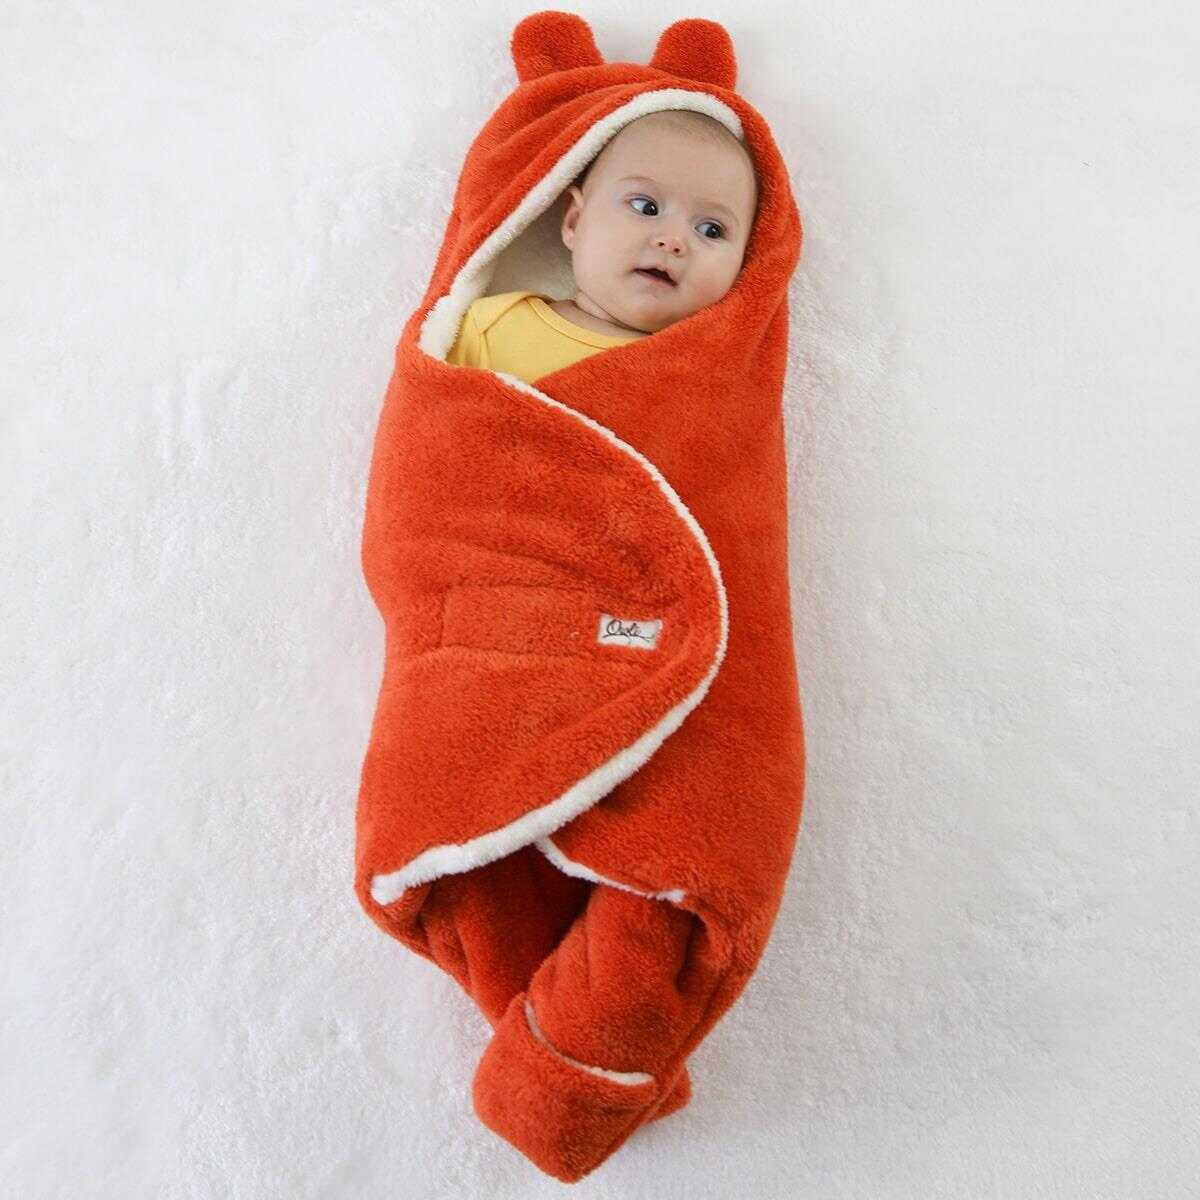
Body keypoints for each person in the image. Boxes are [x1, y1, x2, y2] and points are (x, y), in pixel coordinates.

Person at [446, 107, 760, 382]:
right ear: (575, 222)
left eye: (711, 230)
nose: (673, 241)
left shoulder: (708, 382)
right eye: (646, 207)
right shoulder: (491, 327)